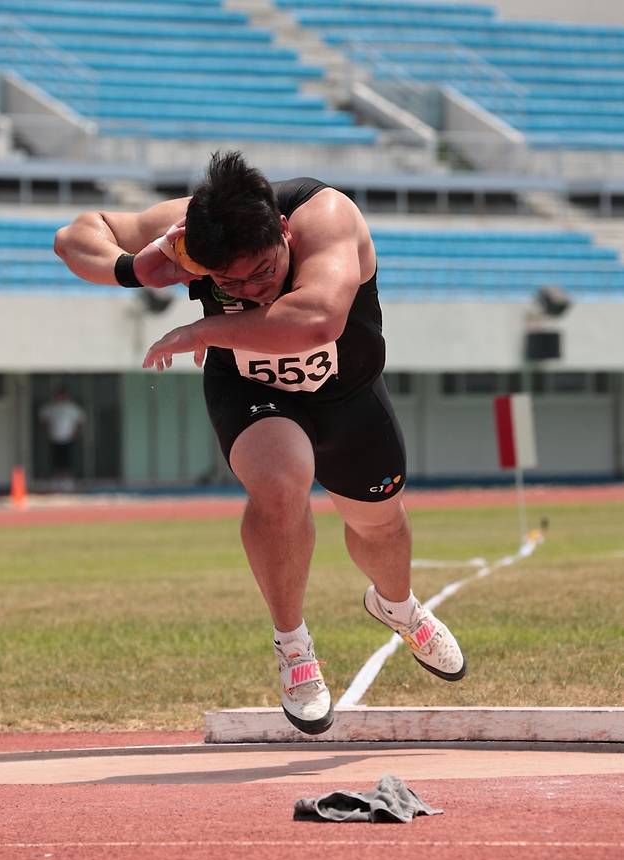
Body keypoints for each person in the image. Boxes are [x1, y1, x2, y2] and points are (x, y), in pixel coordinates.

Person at [54, 150, 466, 736]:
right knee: (279, 481)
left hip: (347, 392)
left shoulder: (327, 216)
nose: (249, 290)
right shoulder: (188, 232)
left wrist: (205, 327)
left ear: (284, 232)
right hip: (250, 388)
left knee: (379, 525)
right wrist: (132, 269)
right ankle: (294, 646)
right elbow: (74, 236)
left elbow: (317, 319)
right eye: (229, 282)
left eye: (263, 273)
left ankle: (397, 606)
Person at [38, 385, 86, 491]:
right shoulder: (51, 407)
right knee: (55, 460)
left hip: (68, 438)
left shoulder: (72, 407)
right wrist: (47, 431)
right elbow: (43, 418)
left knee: (67, 460)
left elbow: (80, 420)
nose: (60, 397)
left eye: (62, 395)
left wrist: (75, 433)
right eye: (58, 395)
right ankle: (56, 481)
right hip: (54, 438)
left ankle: (67, 481)